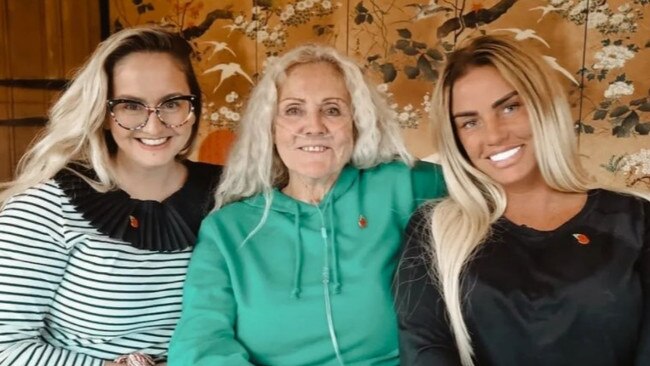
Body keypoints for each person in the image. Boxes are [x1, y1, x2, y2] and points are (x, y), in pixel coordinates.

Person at [168, 44, 447, 365]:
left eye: (332, 110)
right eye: (293, 110)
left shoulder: (402, 185)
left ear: (356, 123)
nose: (314, 126)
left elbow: (484, 184)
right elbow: (199, 343)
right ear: (270, 127)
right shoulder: (227, 230)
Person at [396, 34, 650, 366]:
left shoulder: (635, 221)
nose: (495, 135)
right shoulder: (435, 231)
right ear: (456, 139)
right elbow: (425, 350)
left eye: (510, 107)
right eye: (470, 122)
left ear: (544, 105)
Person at [0, 26, 222, 366]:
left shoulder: (231, 194)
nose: (154, 125)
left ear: (193, 107)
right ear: (104, 114)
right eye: (131, 105)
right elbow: (6, 346)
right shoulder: (46, 207)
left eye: (172, 103)